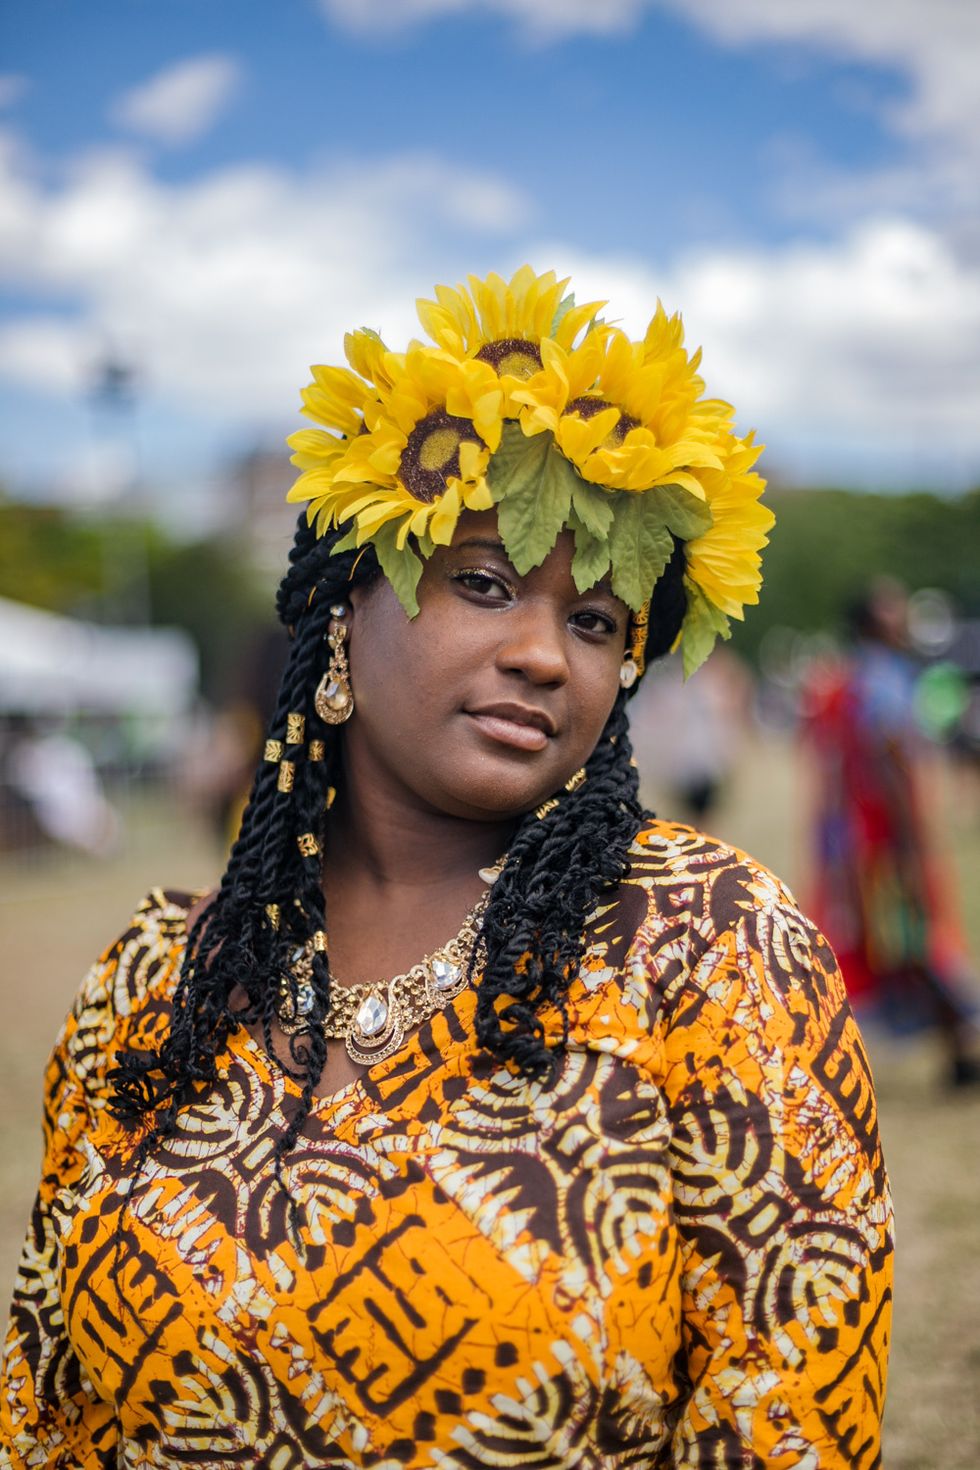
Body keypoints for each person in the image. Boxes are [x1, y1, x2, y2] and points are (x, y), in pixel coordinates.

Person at [0, 268, 892, 1467]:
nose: (541, 655)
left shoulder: (708, 940)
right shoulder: (153, 980)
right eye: (482, 582)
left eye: (593, 623)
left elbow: (787, 1425)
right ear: (338, 614)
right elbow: (41, 1404)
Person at [803, 576, 980, 1086]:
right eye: (891, 608)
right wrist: (911, 834)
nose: (901, 614)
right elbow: (890, 762)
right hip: (885, 840)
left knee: (906, 943)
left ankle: (958, 1046)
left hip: (872, 839)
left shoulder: (862, 677)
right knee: (914, 940)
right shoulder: (879, 679)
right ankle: (960, 1038)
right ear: (872, 623)